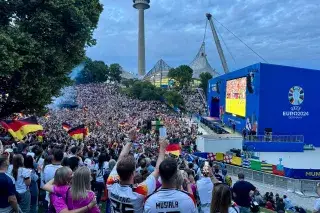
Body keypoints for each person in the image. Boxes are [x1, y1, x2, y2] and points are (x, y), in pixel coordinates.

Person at [107, 130, 168, 213]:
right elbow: (157, 170)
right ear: (133, 173)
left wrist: (130, 141)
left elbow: (120, 158)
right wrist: (163, 148)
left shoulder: (110, 184)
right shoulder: (139, 191)